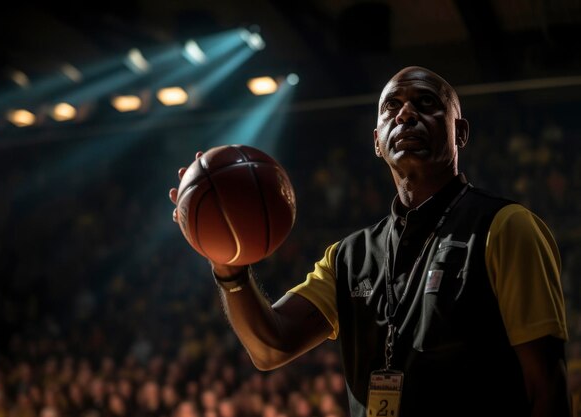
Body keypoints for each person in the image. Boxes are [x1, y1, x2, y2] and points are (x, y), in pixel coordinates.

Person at [169, 66, 571, 417]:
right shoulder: (349, 257)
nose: (407, 112)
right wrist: (226, 260)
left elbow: (546, 390)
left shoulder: (506, 227)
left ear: (459, 132)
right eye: (392, 106)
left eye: (426, 102)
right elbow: (271, 347)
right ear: (378, 141)